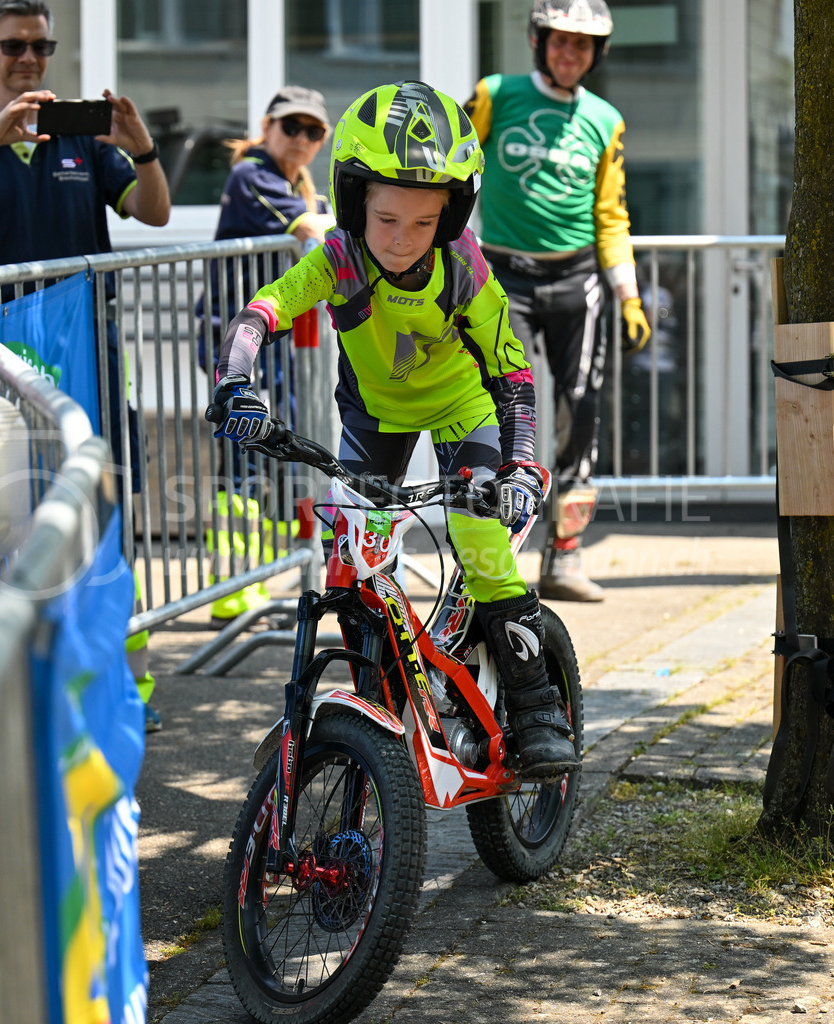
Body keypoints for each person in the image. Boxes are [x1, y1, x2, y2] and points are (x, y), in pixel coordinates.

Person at [207, 81, 580, 779]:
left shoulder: (464, 264)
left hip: (462, 409)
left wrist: (522, 465)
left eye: (422, 223)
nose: (403, 240)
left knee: (478, 537)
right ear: (353, 206)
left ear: (450, 217)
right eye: (385, 220)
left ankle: (535, 707)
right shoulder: (340, 259)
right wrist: (234, 380)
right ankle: (377, 703)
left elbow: (513, 374)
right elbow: (265, 309)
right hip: (374, 416)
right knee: (352, 558)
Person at [0, 0, 170, 727]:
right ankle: (22, 684)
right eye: (14, 44)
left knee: (102, 508)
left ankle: (120, 685)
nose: (30, 58)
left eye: (42, 45)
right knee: (5, 517)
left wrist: (142, 147)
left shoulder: (82, 141)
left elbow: (152, 212)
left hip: (86, 348)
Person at [464, 0, 650, 602]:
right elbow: (454, 168)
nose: (570, 54)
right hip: (503, 274)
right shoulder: (495, 92)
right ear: (537, 41)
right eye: (560, 41)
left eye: (583, 45)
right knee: (497, 406)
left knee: (580, 410)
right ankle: (490, 555)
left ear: (598, 54)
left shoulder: (605, 119)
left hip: (577, 278)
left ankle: (564, 556)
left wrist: (628, 293)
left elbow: (610, 211)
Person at [199, 85, 334, 622]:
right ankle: (231, 585)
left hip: (278, 343)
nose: (301, 139)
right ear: (267, 126)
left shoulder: (295, 184)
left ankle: (261, 575)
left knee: (278, 452)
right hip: (236, 340)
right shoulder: (251, 175)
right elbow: (319, 232)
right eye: (291, 127)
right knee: (240, 459)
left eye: (313, 131)